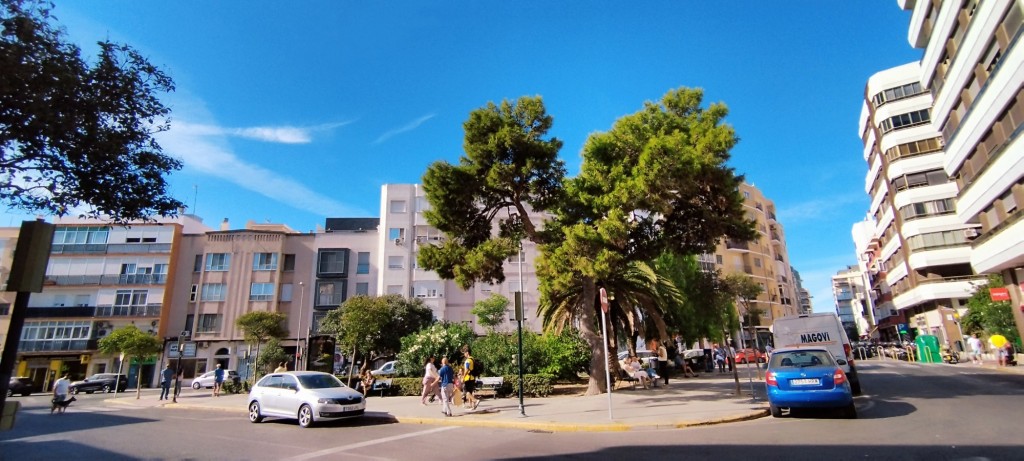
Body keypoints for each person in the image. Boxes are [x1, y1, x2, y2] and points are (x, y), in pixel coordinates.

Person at [460, 345, 479, 410]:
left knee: (466, 392)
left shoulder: (468, 360)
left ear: (467, 352)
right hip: (472, 378)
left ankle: (475, 401)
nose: (464, 354)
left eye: (464, 353)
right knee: (470, 392)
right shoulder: (472, 359)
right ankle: (473, 406)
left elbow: (467, 369)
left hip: (468, 378)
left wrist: (463, 377)